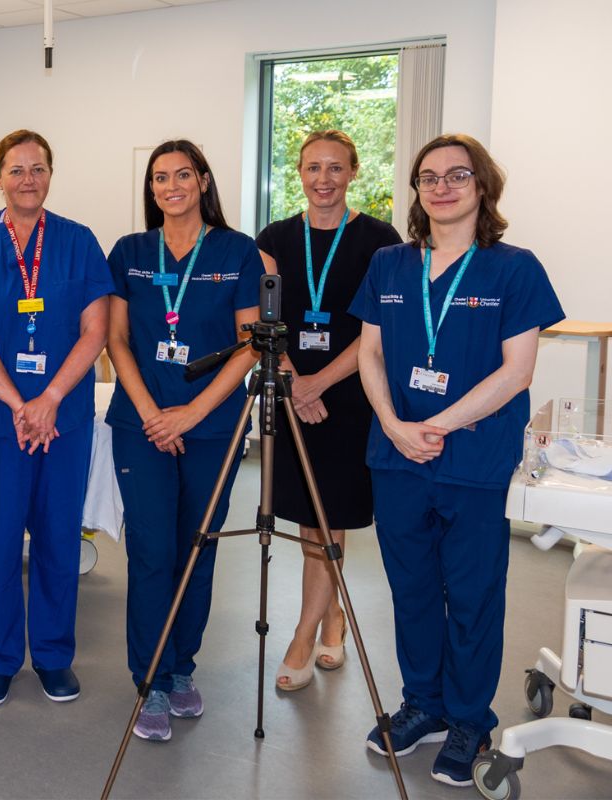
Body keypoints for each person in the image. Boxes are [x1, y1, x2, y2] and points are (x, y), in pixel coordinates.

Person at [351, 134, 563, 787]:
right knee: (411, 588)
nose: (441, 186)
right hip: (398, 456)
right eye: (428, 177)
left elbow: (517, 371)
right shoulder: (390, 264)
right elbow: (370, 354)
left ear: (482, 186)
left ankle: (470, 717)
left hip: (471, 457)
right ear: (415, 190)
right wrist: (394, 424)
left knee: (472, 593)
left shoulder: (514, 268)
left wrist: (433, 423)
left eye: (457, 175)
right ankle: (426, 704)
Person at [0, 129, 114, 706]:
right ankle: (0, 657)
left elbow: (95, 332)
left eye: (38, 168)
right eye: (16, 169)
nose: (28, 178)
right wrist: (20, 403)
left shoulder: (78, 241)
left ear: (50, 175)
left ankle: (55, 655)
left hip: (62, 419)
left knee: (59, 538)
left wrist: (50, 398)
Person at [105, 140, 263, 741]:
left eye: (182, 175)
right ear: (151, 190)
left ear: (202, 181)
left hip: (212, 425)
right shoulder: (130, 252)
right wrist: (154, 414)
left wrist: (191, 413)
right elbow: (117, 340)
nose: (171, 186)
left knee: (198, 551)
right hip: (142, 425)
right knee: (151, 553)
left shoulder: (237, 251)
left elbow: (250, 343)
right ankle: (148, 681)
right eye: (159, 178)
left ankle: (180, 670)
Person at [255, 130, 402, 691]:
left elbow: (379, 331)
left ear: (354, 172)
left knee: (330, 516)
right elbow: (265, 320)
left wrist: (320, 383)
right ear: (299, 173)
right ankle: (333, 616)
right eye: (313, 167)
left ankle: (302, 633)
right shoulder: (274, 238)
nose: (324, 179)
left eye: (335, 168)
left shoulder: (379, 240)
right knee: (307, 519)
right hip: (292, 393)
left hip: (351, 393)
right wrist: (296, 382)